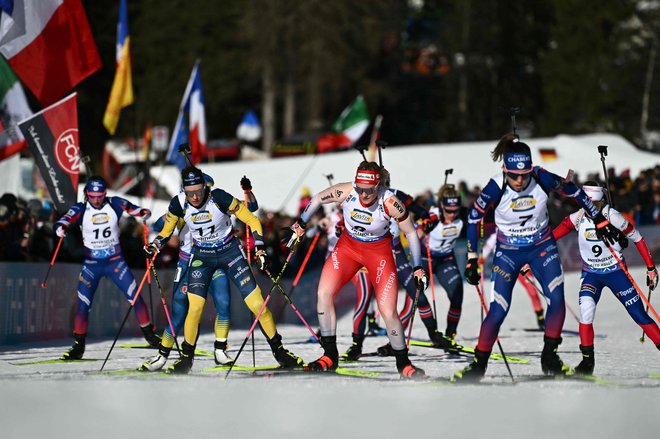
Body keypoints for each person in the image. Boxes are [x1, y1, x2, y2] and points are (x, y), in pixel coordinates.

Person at [452, 134, 620, 381]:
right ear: (505, 170)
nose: (520, 181)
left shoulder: (541, 177)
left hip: (542, 247)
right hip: (508, 252)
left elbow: (574, 191)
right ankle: (479, 364)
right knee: (499, 309)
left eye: (524, 174)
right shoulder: (496, 185)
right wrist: (471, 257)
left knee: (557, 300)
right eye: (514, 175)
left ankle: (550, 356)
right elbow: (474, 218)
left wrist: (599, 218)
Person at [145, 166, 302, 374]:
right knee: (195, 307)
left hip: (230, 252)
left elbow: (252, 218)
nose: (195, 197)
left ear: (205, 187)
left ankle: (280, 352)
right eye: (190, 192)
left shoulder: (219, 197)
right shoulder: (178, 203)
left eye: (199, 191)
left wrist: (260, 249)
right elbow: (165, 231)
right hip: (202, 256)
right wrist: (155, 245)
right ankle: (186, 358)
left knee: (257, 305)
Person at [283, 161, 428, 379]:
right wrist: (301, 225)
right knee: (324, 293)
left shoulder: (390, 201)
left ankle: (403, 363)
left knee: (388, 311)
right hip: (348, 249)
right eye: (360, 188)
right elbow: (317, 199)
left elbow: (411, 233)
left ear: (378, 186)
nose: (364, 194)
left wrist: (418, 268)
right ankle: (330, 355)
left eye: (369, 190)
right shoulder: (348, 191)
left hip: (378, 253)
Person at [139, 175, 259, 371]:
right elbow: (159, 227)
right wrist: (156, 235)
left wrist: (247, 193)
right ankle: (162, 356)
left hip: (214, 259)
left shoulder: (216, 203)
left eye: (206, 190)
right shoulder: (181, 205)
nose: (202, 197)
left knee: (223, 302)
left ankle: (220, 349)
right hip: (189, 263)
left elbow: (251, 210)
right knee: (179, 312)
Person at [552, 181, 659, 374]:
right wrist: (532, 256)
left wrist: (651, 268)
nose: (590, 209)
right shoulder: (577, 217)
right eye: (586, 204)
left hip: (616, 272)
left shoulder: (613, 216)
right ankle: (587, 363)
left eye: (595, 204)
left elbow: (638, 238)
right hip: (591, 274)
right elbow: (552, 237)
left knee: (638, 315)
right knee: (586, 313)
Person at [53, 176, 159, 360]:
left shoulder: (114, 203)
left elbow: (134, 209)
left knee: (136, 297)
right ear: (87, 193)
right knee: (83, 305)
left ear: (105, 194)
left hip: (115, 262)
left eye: (100, 196)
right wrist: (61, 228)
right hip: (92, 265)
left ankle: (150, 336)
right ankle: (78, 346)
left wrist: (143, 212)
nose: (96, 200)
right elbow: (63, 220)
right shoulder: (80, 208)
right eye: (92, 196)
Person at [418, 184, 466, 339]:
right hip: (427, 258)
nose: (452, 214)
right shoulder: (433, 215)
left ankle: (450, 334)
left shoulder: (462, 216)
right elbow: (413, 234)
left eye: (455, 211)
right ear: (442, 206)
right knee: (416, 295)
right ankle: (430, 331)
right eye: (448, 211)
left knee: (457, 295)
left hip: (446, 259)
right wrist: (424, 226)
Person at [483, 232, 546, 330]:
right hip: (504, 268)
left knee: (533, 291)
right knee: (498, 296)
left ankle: (541, 319)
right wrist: (479, 261)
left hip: (520, 267)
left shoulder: (517, 231)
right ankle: (494, 323)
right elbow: (485, 251)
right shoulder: (494, 236)